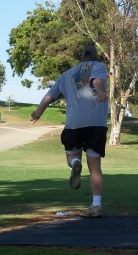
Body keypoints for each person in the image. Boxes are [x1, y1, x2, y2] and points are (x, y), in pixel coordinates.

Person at [31, 45, 108, 218]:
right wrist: (102, 92)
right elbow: (96, 81)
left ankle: (74, 164)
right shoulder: (98, 66)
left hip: (74, 123)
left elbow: (49, 96)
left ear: (81, 57)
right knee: (95, 166)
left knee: (71, 157)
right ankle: (96, 205)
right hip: (96, 123)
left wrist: (38, 112)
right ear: (95, 56)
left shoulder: (66, 75)